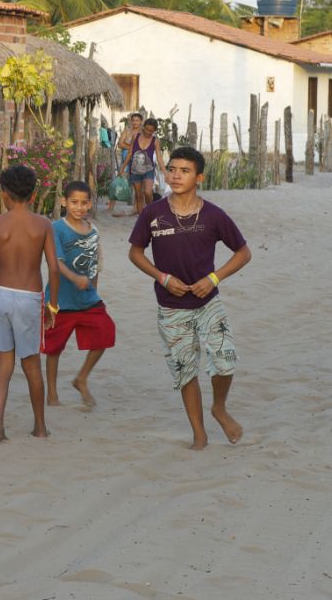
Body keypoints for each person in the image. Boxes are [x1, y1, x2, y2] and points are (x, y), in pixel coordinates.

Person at [127, 146, 252, 450]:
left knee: (225, 361)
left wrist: (213, 279)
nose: (176, 175)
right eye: (172, 169)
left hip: (208, 304)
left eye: (185, 171)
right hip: (170, 309)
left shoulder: (213, 215)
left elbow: (243, 253)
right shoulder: (152, 213)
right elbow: (135, 252)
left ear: (200, 177)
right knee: (186, 371)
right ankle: (199, 433)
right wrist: (162, 277)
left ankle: (219, 407)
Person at [0, 164, 58, 442]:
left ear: (4, 194)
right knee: (32, 366)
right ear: (33, 196)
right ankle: (40, 427)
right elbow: (54, 269)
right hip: (30, 298)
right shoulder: (43, 225)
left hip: (0, 295)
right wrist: (52, 305)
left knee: (2, 367)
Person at [43, 181, 116, 408]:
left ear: (90, 204)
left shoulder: (93, 231)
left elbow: (95, 265)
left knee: (106, 331)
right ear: (64, 202)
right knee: (54, 348)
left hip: (87, 299)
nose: (79, 207)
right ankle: (52, 394)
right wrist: (75, 279)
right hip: (60, 300)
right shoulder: (56, 228)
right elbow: (56, 262)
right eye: (74, 202)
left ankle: (81, 377)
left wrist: (93, 289)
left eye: (84, 202)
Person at [122, 117, 166, 215]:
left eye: (151, 130)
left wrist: (165, 172)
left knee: (148, 192)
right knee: (138, 195)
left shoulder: (155, 141)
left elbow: (159, 158)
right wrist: (122, 168)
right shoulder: (135, 136)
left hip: (148, 170)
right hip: (135, 170)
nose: (148, 132)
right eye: (146, 129)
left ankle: (150, 211)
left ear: (154, 130)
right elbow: (130, 153)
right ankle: (142, 217)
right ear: (143, 127)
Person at [112, 112, 145, 217]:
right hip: (126, 158)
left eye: (137, 120)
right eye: (133, 120)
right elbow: (120, 144)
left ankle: (137, 208)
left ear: (141, 122)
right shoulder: (127, 131)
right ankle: (110, 207)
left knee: (138, 184)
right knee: (121, 179)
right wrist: (132, 147)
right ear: (130, 121)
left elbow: (143, 146)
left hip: (138, 160)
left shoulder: (143, 132)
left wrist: (129, 146)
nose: (135, 122)